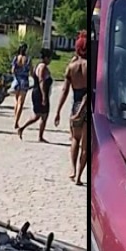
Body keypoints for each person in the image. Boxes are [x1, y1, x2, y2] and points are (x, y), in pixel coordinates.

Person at [54, 31, 88, 185]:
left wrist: (58, 111)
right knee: (86, 146)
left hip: (75, 105)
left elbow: (64, 91)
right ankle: (80, 176)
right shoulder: (89, 66)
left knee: (75, 139)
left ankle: (73, 168)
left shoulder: (71, 67)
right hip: (87, 106)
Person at [17, 48, 53, 142]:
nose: (50, 60)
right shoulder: (42, 67)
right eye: (49, 58)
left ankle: (40, 136)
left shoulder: (39, 65)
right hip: (40, 93)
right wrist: (44, 95)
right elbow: (41, 81)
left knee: (44, 115)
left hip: (39, 92)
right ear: (45, 58)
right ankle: (22, 128)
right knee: (38, 115)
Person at [11, 43, 31, 129]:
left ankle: (15, 119)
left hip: (16, 80)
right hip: (24, 81)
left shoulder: (16, 58)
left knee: (16, 102)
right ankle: (16, 122)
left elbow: (12, 70)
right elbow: (31, 70)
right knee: (20, 103)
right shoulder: (28, 59)